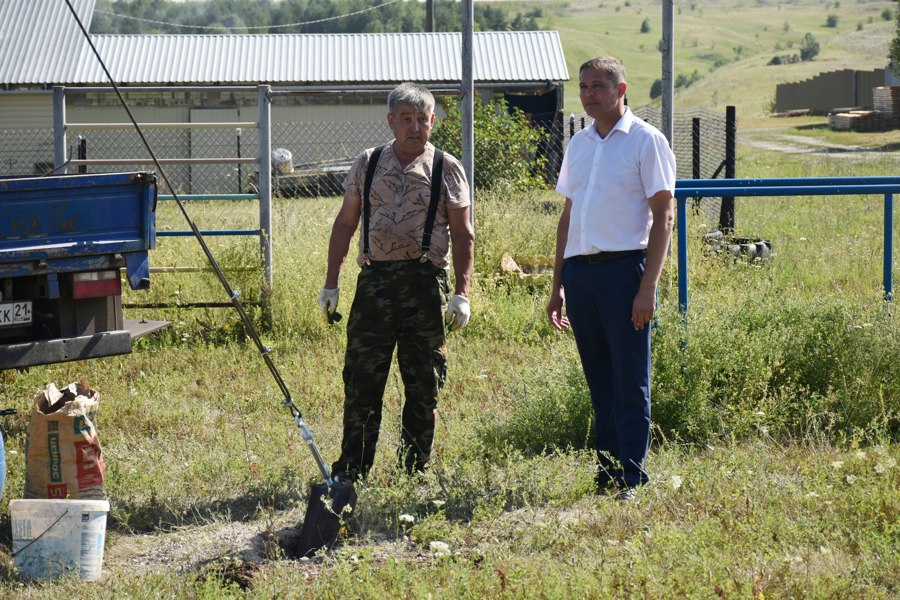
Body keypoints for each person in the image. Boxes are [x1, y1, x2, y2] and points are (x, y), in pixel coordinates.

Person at [319, 82, 474, 483]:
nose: (415, 126)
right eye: (406, 119)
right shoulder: (367, 163)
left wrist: (461, 293)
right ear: (391, 121)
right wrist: (331, 282)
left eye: (423, 118)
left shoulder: (446, 167)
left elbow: (464, 234)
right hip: (375, 284)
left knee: (424, 383)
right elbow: (345, 223)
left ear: (433, 121)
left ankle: (413, 470)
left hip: (425, 284)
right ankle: (352, 470)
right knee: (362, 381)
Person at [546, 56, 675, 501]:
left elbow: (664, 217)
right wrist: (557, 284)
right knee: (600, 381)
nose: (588, 94)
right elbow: (568, 216)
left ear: (622, 90)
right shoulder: (579, 144)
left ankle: (633, 479)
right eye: (583, 86)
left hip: (625, 273)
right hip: (581, 276)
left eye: (598, 86)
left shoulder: (645, 141)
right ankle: (608, 475)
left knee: (629, 381)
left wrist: (647, 288)